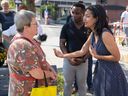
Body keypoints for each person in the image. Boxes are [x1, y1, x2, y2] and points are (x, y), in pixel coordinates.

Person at [54, 5, 128, 96]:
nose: (84, 18)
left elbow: (117, 57)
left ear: (96, 18)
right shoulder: (93, 33)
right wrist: (63, 55)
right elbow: (82, 51)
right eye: (84, 15)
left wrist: (98, 56)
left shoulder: (105, 34)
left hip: (111, 73)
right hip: (100, 71)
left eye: (88, 16)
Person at [6, 10, 57, 96]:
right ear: (26, 27)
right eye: (35, 23)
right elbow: (37, 73)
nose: (38, 26)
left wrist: (49, 67)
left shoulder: (30, 40)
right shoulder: (22, 45)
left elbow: (40, 59)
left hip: (35, 90)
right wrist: (50, 74)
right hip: (27, 92)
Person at [59, 3, 90, 96]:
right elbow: (61, 44)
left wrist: (83, 59)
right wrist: (69, 58)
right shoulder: (66, 27)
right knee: (67, 84)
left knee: (82, 85)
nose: (75, 15)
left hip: (83, 62)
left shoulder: (88, 27)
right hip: (68, 61)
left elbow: (91, 46)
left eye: (78, 13)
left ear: (83, 13)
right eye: (73, 12)